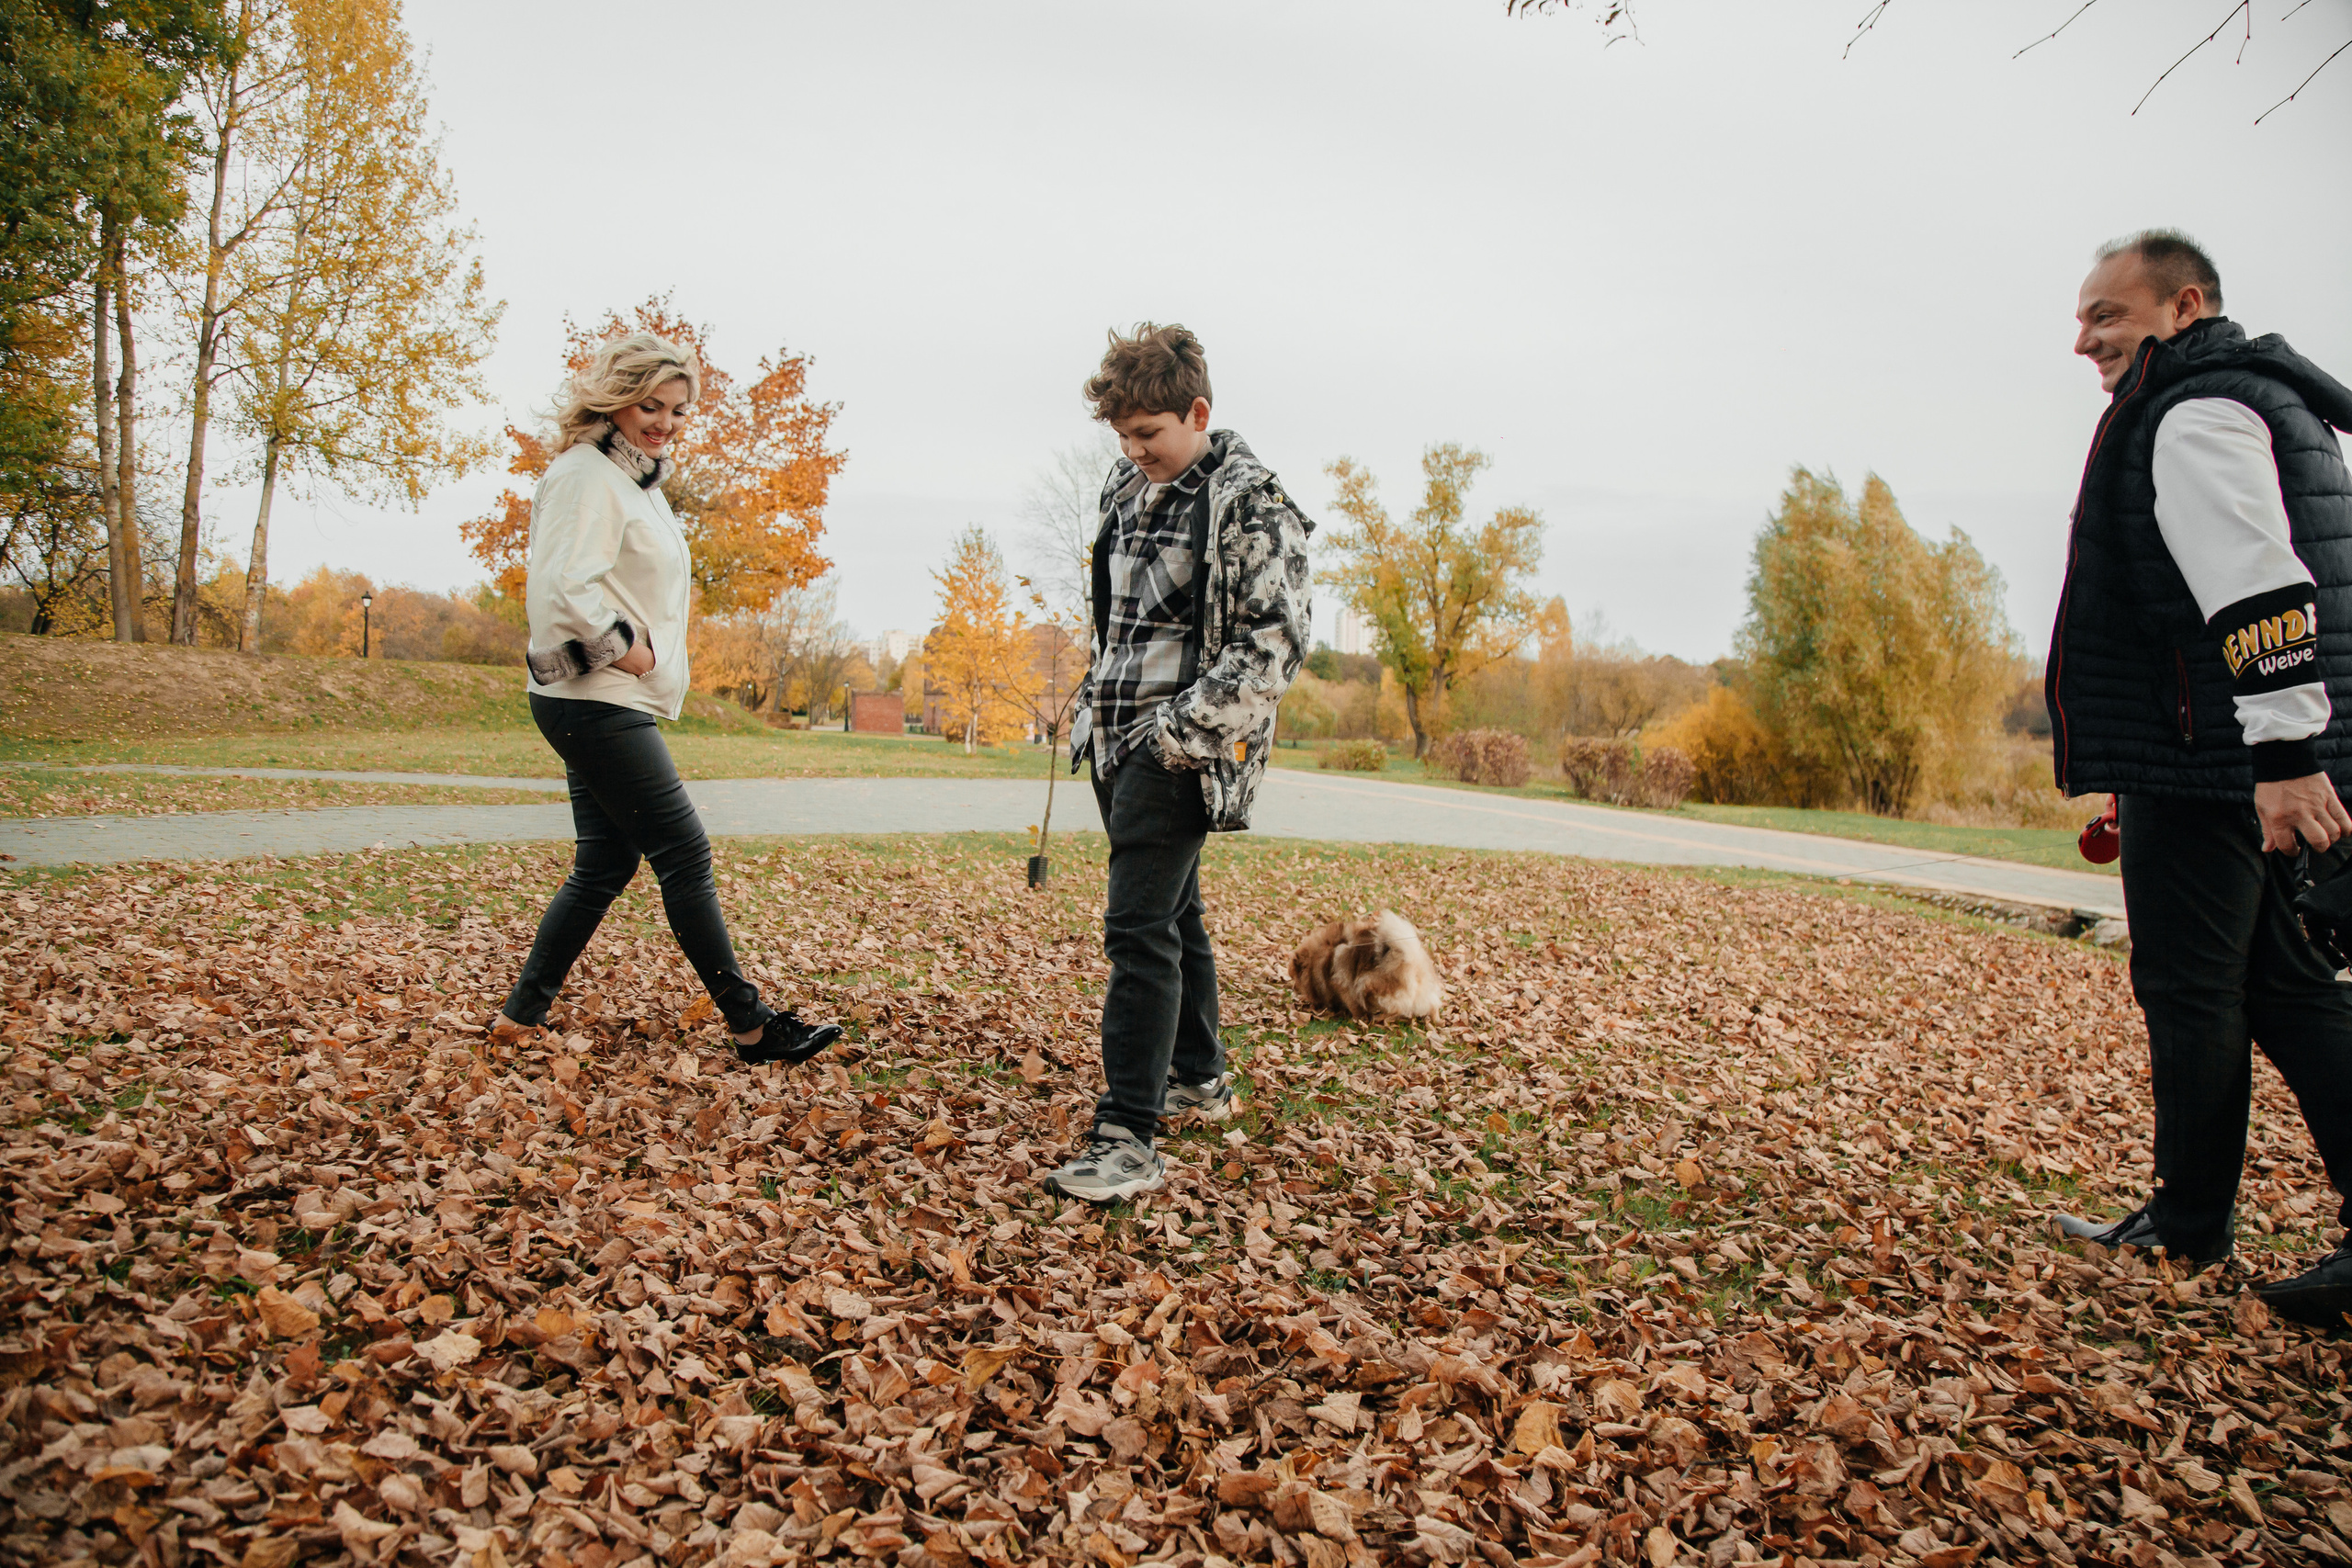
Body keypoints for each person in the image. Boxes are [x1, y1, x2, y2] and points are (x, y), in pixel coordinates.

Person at [2047, 231, 2352, 1328]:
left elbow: (2259, 588)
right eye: (2082, 317)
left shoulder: (2193, 412)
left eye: (2106, 316)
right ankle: (2190, 1219)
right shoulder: (2260, 399)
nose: (2082, 339)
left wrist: (2280, 759)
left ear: (2182, 306)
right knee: (2281, 988)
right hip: (2242, 750)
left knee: (2192, 989)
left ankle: (2186, 1224)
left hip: (2218, 759)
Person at [494, 333, 841, 1069]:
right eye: (650, 405)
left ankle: (521, 1015)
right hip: (596, 692)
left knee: (604, 864)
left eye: (678, 410)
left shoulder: (631, 481)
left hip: (608, 698)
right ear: (614, 398)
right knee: (684, 851)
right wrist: (631, 646)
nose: (665, 422)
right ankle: (752, 1026)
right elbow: (564, 585)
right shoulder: (586, 475)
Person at [1041, 323, 1313, 1204]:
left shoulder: (1252, 505)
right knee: (1175, 913)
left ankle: (1129, 1136)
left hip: (1180, 751)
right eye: (1121, 435)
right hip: (1114, 742)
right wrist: (1090, 708)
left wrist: (1175, 736)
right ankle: (1198, 1074)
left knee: (1136, 932)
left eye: (1149, 432)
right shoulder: (1129, 486)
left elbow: (1275, 646)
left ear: (1199, 412)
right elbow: (1119, 621)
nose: (1133, 449)